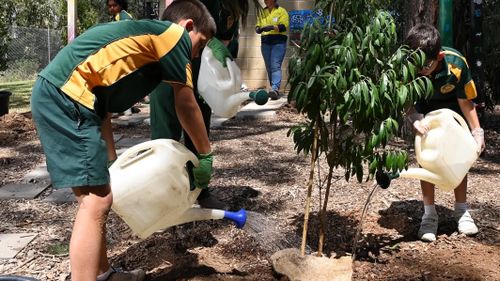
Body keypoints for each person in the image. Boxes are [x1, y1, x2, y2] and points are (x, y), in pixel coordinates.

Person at [30, 1, 216, 280]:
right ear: (188, 26)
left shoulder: (143, 49)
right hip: (66, 97)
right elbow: (186, 103)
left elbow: (101, 105)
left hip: (68, 97)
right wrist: (204, 154)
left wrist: (111, 160)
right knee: (96, 202)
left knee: (95, 198)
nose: (197, 54)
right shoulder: (174, 37)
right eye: (200, 45)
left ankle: (103, 273)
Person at [149, 0, 257, 209]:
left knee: (199, 127)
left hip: (203, 71)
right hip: (171, 58)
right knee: (165, 132)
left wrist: (218, 53)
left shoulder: (234, 5)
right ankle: (163, 197)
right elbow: (173, 19)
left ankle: (200, 191)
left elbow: (224, 41)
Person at [405, 23, 485, 242]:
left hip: (452, 111)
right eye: (417, 65)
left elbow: (465, 100)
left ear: (439, 56)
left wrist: (477, 131)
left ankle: (462, 210)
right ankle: (429, 215)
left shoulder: (457, 63)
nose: (421, 70)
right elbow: (405, 99)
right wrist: (413, 117)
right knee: (427, 159)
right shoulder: (408, 65)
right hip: (425, 112)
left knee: (457, 154)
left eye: (426, 65)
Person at [255, 0, 289, 100]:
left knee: (275, 65)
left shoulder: (282, 11)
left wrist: (272, 27)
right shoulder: (262, 12)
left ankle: (275, 88)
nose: (265, 1)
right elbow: (258, 25)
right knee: (269, 66)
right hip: (265, 42)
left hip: (278, 42)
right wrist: (258, 29)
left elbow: (283, 27)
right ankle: (273, 90)